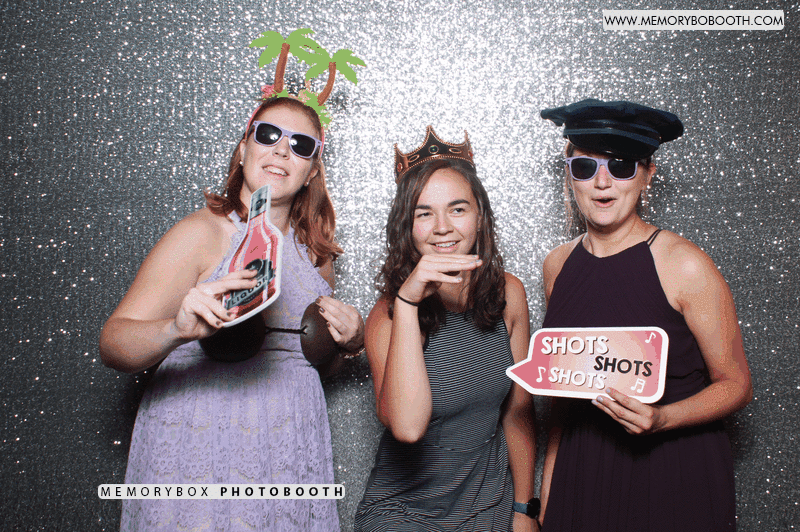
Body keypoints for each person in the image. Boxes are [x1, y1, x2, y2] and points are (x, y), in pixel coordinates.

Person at [99, 93, 364, 531]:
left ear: (313, 170)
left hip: (289, 446)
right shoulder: (202, 233)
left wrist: (349, 342)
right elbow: (113, 343)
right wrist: (174, 330)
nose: (282, 150)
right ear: (243, 150)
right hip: (206, 437)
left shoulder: (315, 255)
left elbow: (310, 365)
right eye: (268, 135)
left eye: (301, 145)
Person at [538, 99, 752, 531]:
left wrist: (663, 418)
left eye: (621, 166)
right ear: (569, 174)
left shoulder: (685, 265)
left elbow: (736, 385)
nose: (602, 183)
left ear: (647, 174)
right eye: (585, 167)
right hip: (584, 469)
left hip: (673, 470)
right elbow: (564, 391)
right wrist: (550, 485)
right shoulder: (557, 265)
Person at [354, 127, 539, 531]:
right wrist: (408, 303)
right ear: (407, 226)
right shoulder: (387, 314)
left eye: (457, 209)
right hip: (404, 516)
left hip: (488, 510)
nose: (442, 227)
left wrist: (525, 509)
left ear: (480, 216)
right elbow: (407, 427)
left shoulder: (509, 294)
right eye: (424, 213)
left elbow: (518, 413)